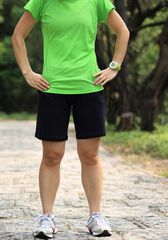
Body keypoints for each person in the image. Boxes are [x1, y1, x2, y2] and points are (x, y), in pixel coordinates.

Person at [12, 0, 129, 238]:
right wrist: (27, 72)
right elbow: (17, 36)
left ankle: (95, 216)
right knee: (52, 156)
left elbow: (123, 31)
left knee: (90, 155)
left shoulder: (97, 2)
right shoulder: (41, 2)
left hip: (89, 86)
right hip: (52, 89)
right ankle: (47, 218)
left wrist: (114, 67)